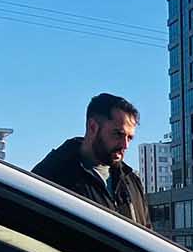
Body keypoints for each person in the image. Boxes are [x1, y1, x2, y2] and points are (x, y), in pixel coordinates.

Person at [31, 93, 150, 226]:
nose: (125, 145)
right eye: (118, 134)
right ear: (93, 127)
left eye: (130, 138)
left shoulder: (132, 181)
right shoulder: (53, 176)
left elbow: (147, 234)